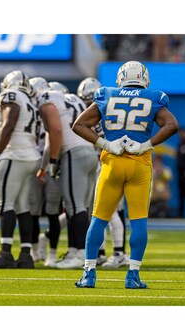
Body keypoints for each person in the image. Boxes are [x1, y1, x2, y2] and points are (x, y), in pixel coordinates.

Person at [72, 60, 178, 289]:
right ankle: (133, 275)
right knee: (138, 221)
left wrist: (105, 144)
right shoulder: (154, 97)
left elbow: (78, 125)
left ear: (121, 78)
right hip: (139, 165)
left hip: (112, 162)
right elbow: (171, 125)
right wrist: (146, 145)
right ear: (144, 78)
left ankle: (89, 273)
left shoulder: (106, 94)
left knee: (98, 219)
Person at [36, 79, 98, 269]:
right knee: (81, 208)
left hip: (73, 153)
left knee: (75, 206)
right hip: (89, 152)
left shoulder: (46, 98)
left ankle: (82, 254)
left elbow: (55, 132)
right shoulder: (73, 99)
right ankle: (74, 250)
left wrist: (52, 162)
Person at [0, 71, 40, 269]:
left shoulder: (10, 95)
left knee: (6, 204)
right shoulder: (30, 101)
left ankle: (5, 254)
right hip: (31, 155)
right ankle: (26, 255)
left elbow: (8, 125)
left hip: (14, 154)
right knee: (23, 206)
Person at [77, 77, 129, 268]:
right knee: (104, 211)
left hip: (110, 163)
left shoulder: (102, 113)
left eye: (88, 100)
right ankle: (105, 253)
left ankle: (119, 253)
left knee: (109, 211)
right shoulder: (114, 109)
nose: (87, 105)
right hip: (110, 162)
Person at [28, 78, 64, 268]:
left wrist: (50, 163)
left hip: (50, 164)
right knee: (33, 212)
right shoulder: (29, 111)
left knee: (52, 212)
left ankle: (52, 253)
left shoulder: (52, 111)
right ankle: (35, 252)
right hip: (35, 164)